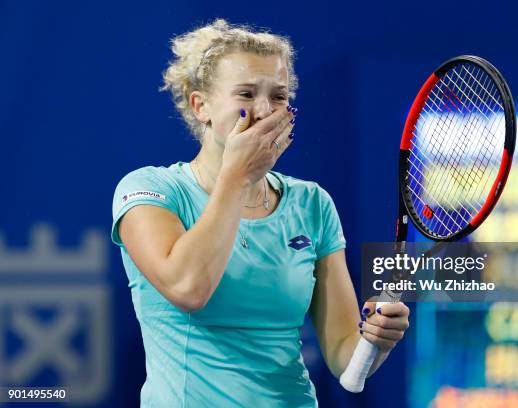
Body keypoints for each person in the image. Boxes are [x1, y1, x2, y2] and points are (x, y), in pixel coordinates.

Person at [111, 19, 409, 407]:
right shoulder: (150, 191)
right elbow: (188, 287)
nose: (265, 110)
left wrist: (377, 341)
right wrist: (238, 176)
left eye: (279, 96)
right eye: (246, 94)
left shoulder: (312, 204)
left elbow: (344, 357)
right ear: (201, 105)